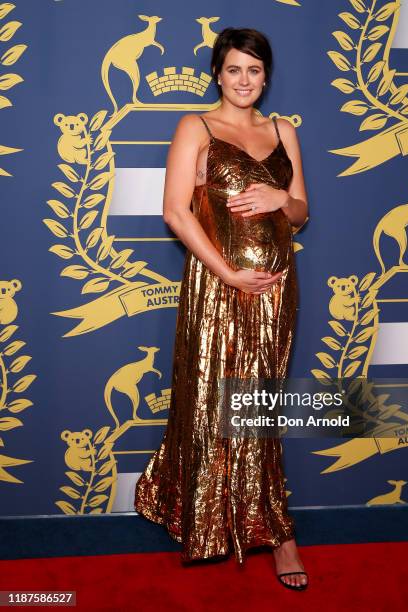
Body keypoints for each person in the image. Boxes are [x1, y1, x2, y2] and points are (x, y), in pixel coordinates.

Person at [134, 27, 309, 590]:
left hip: (277, 290)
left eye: (254, 71)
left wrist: (284, 199)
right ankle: (208, 519)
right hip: (217, 285)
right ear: (217, 73)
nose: (244, 81)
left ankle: (277, 532)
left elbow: (302, 211)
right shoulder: (197, 127)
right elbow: (175, 212)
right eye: (234, 70)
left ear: (266, 76)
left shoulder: (283, 131)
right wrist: (229, 272)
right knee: (212, 400)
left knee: (259, 402)